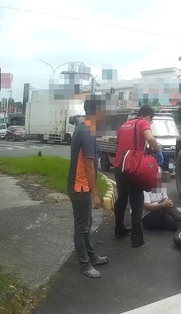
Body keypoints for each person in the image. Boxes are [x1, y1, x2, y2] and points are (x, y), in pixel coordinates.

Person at [67, 99, 108, 278]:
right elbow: (89, 166)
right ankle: (85, 265)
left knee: (87, 224)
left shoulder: (84, 128)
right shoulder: (86, 132)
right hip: (80, 187)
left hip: (80, 186)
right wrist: (95, 194)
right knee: (82, 228)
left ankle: (92, 257)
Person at [113, 105, 161, 247]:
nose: (150, 123)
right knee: (137, 202)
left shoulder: (123, 125)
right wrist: (157, 150)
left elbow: (118, 147)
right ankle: (136, 238)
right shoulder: (143, 123)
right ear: (148, 116)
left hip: (119, 166)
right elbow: (150, 139)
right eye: (151, 121)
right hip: (133, 168)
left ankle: (119, 229)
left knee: (121, 199)